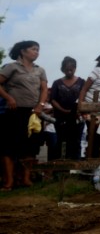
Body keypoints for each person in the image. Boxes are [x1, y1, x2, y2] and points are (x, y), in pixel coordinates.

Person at [0, 41, 48, 190]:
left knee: (30, 147)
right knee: (9, 147)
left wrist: (40, 105)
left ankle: (26, 179)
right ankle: (9, 181)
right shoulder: (11, 67)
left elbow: (44, 89)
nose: (37, 52)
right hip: (14, 112)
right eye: (33, 49)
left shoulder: (40, 70)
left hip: (33, 113)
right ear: (23, 51)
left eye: (38, 50)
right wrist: (9, 98)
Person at [50, 56, 85, 160]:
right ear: (63, 69)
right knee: (60, 140)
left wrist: (79, 110)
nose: (69, 71)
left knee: (76, 141)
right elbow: (52, 99)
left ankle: (75, 166)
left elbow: (85, 97)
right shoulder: (57, 83)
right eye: (67, 69)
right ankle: (59, 167)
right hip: (60, 117)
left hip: (77, 116)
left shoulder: (82, 82)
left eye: (72, 68)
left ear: (75, 68)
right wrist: (63, 110)